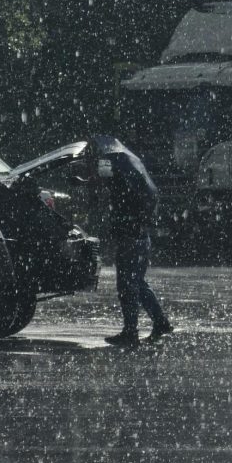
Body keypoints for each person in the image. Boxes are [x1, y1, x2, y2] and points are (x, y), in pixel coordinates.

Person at [77, 135, 173, 348]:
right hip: (138, 238)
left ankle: (131, 331)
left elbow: (116, 200)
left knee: (127, 285)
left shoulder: (125, 188)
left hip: (131, 239)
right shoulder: (130, 179)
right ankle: (160, 322)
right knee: (137, 282)